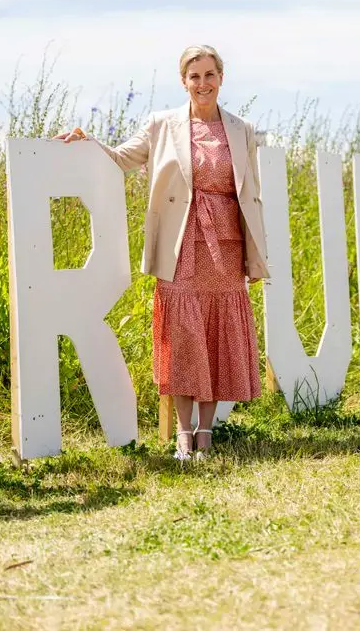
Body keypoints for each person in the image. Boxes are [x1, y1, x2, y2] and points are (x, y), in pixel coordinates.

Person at [55, 45, 268, 461]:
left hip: (225, 245)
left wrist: (255, 255)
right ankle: (183, 434)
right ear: (183, 81)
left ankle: (206, 432)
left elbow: (251, 194)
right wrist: (88, 141)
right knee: (185, 335)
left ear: (221, 78)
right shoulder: (162, 125)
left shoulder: (242, 130)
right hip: (180, 244)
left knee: (216, 335)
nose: (202, 84)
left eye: (209, 75)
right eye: (194, 77)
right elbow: (121, 159)